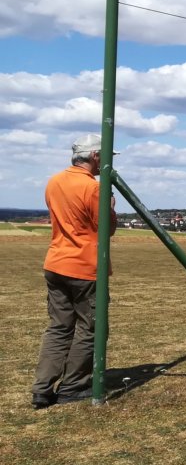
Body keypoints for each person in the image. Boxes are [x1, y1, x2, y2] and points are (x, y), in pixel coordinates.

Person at [32, 134, 118, 409]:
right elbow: (106, 230)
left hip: (56, 262)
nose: (106, 162)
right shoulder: (93, 188)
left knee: (59, 327)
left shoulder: (54, 181)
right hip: (84, 267)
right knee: (91, 328)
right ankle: (73, 386)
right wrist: (111, 209)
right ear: (95, 156)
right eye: (105, 156)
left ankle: (42, 389)